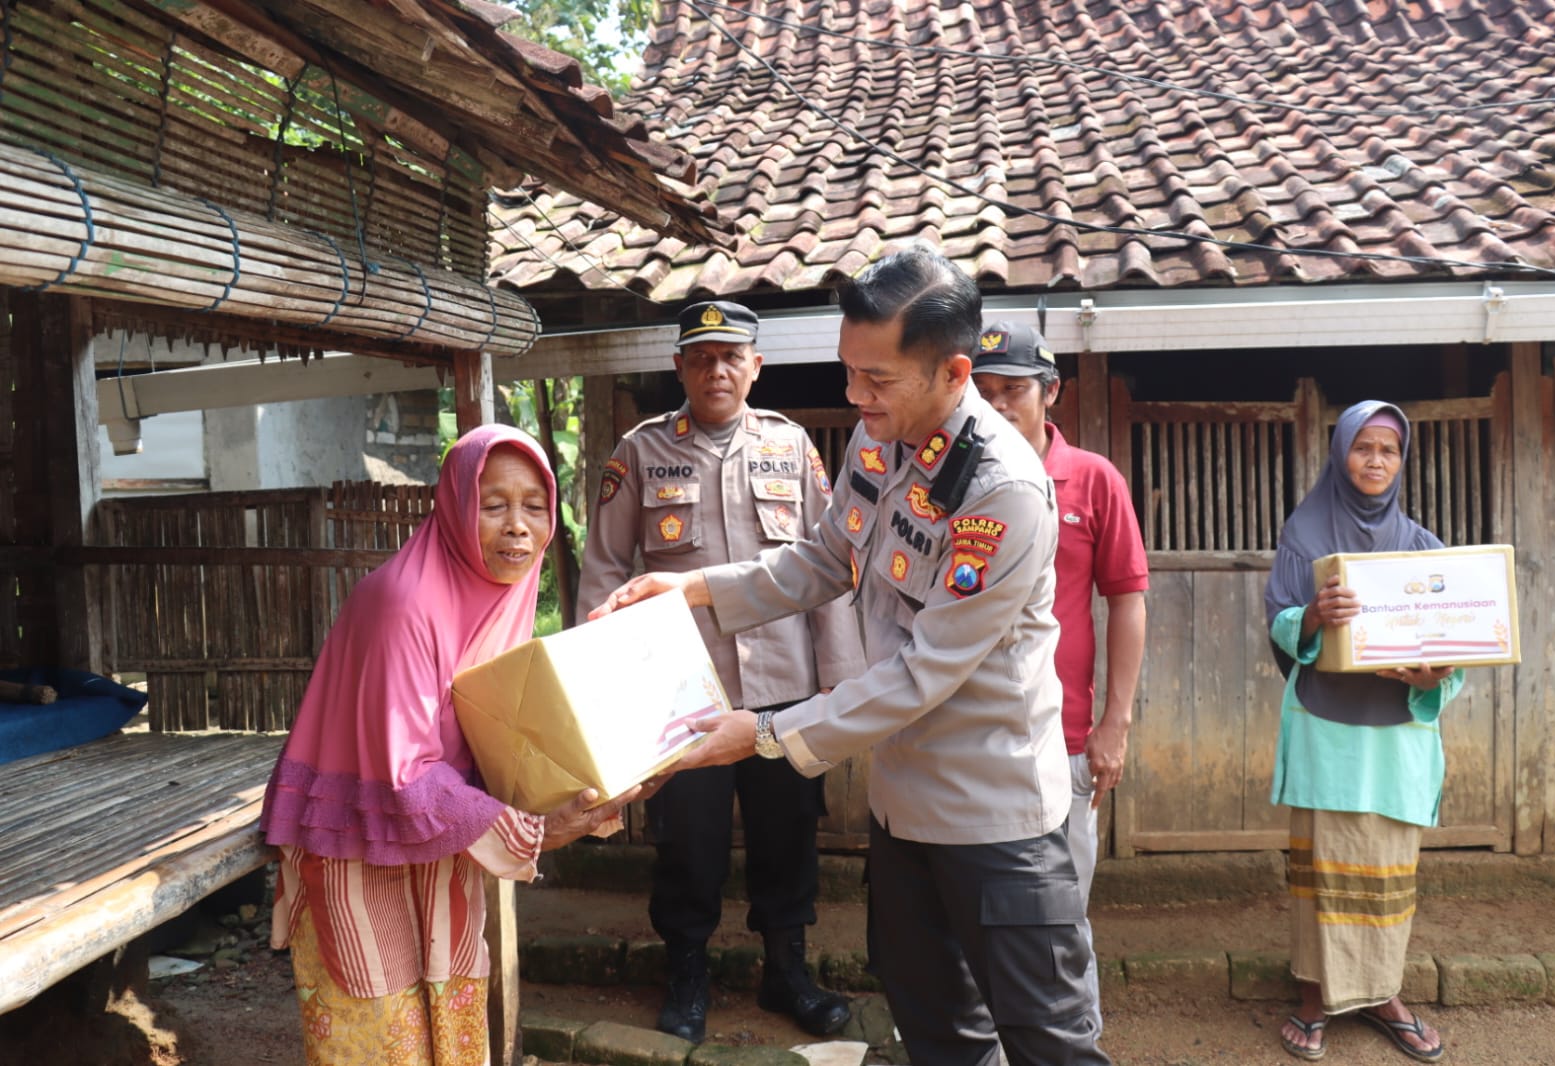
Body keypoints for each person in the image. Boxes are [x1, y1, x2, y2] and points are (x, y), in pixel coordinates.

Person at [592, 247, 1111, 1066]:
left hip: (994, 818)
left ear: (951, 372)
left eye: (877, 380)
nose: (854, 397)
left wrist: (759, 733)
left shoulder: (1000, 491)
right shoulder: (882, 445)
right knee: (937, 1030)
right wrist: (689, 591)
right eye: (848, 372)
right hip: (902, 809)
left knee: (1048, 1044)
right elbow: (821, 560)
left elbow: (921, 676)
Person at [259, 424, 641, 1065]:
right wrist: (537, 829)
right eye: (493, 506)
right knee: (383, 1034)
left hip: (443, 836)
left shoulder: (508, 589)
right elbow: (404, 775)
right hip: (360, 840)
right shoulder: (404, 604)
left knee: (452, 1018)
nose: (518, 526)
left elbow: (494, 728)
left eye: (534, 506)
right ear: (456, 508)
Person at [577, 300, 865, 1043]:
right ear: (679, 367)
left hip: (783, 687)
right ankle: (687, 974)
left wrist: (838, 677)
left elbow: (828, 569)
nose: (717, 369)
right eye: (701, 357)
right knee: (687, 839)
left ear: (755, 366)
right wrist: (600, 685)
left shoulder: (790, 445)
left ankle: (787, 972)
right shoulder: (640, 451)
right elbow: (605, 567)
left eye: (731, 355)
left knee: (787, 830)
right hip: (682, 691)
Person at [1265, 401, 1464, 1063]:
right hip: (1326, 729)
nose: (1375, 461)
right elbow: (1278, 627)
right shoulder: (1305, 534)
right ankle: (1314, 996)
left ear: (1401, 460)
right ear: (1339, 453)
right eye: (1362, 448)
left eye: (1387, 450)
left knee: (1386, 868)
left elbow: (1454, 653)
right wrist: (1314, 616)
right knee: (1322, 869)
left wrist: (1432, 675)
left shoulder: (1423, 550)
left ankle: (1382, 993)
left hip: (1395, 737)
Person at [971, 321, 1148, 1027]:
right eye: (982, 394)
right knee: (973, 901)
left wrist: (1115, 721)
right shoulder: (956, 478)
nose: (997, 406)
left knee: (1060, 905)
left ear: (1051, 393)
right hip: (972, 735)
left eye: (1012, 390)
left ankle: (1070, 1036)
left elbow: (1126, 600)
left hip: (1065, 737)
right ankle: (982, 1036)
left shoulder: (1093, 479)